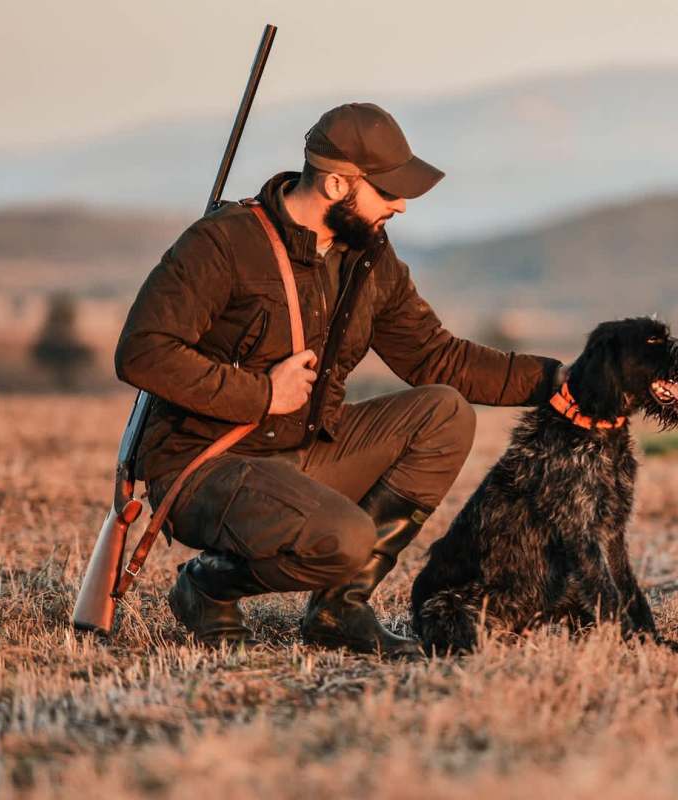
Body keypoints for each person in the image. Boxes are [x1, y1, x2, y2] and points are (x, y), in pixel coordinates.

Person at [114, 102, 564, 657]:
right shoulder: (223, 243)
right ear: (334, 184)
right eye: (386, 190)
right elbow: (142, 353)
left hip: (300, 451)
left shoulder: (369, 256)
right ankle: (207, 586)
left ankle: (338, 608)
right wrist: (261, 393)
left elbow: (437, 358)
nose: (400, 204)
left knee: (444, 413)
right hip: (207, 464)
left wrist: (560, 380)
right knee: (347, 539)